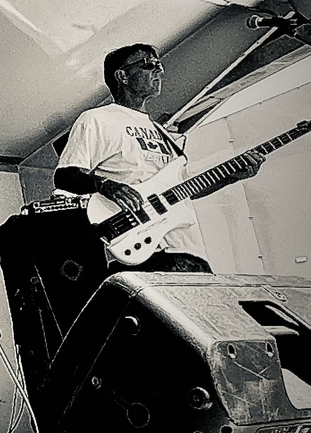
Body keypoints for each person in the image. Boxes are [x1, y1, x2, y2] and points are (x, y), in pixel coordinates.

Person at [54, 44, 262, 272]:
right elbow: (65, 176)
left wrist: (230, 177)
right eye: (148, 65)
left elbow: (184, 189)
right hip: (142, 249)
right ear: (122, 76)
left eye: (159, 65)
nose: (158, 71)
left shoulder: (162, 132)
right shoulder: (97, 119)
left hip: (188, 250)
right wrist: (107, 186)